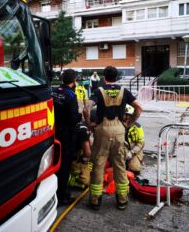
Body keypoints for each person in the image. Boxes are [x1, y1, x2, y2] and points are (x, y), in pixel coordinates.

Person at [84, 66, 143, 211]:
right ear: (116, 77)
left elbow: (86, 109)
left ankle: (95, 201)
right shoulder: (124, 91)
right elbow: (139, 108)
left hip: (102, 130)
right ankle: (122, 200)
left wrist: (90, 124)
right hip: (119, 130)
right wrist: (129, 124)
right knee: (120, 166)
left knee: (98, 165)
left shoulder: (99, 91)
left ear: (104, 78)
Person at [51, 69, 82, 206]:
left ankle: (54, 190)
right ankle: (62, 196)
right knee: (64, 165)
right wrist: (80, 116)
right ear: (74, 81)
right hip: (67, 135)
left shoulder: (54, 90)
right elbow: (73, 118)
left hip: (54, 131)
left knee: (55, 161)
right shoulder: (70, 95)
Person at [68, 124, 92, 189]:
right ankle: (70, 180)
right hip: (75, 158)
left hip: (75, 154)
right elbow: (87, 153)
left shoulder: (82, 127)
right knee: (86, 181)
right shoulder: (84, 131)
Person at [124, 105, 145, 175]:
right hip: (122, 150)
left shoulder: (137, 127)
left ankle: (138, 161)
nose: (127, 117)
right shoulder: (118, 126)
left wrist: (131, 153)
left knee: (134, 168)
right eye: (125, 115)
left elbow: (141, 143)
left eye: (129, 115)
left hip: (134, 150)